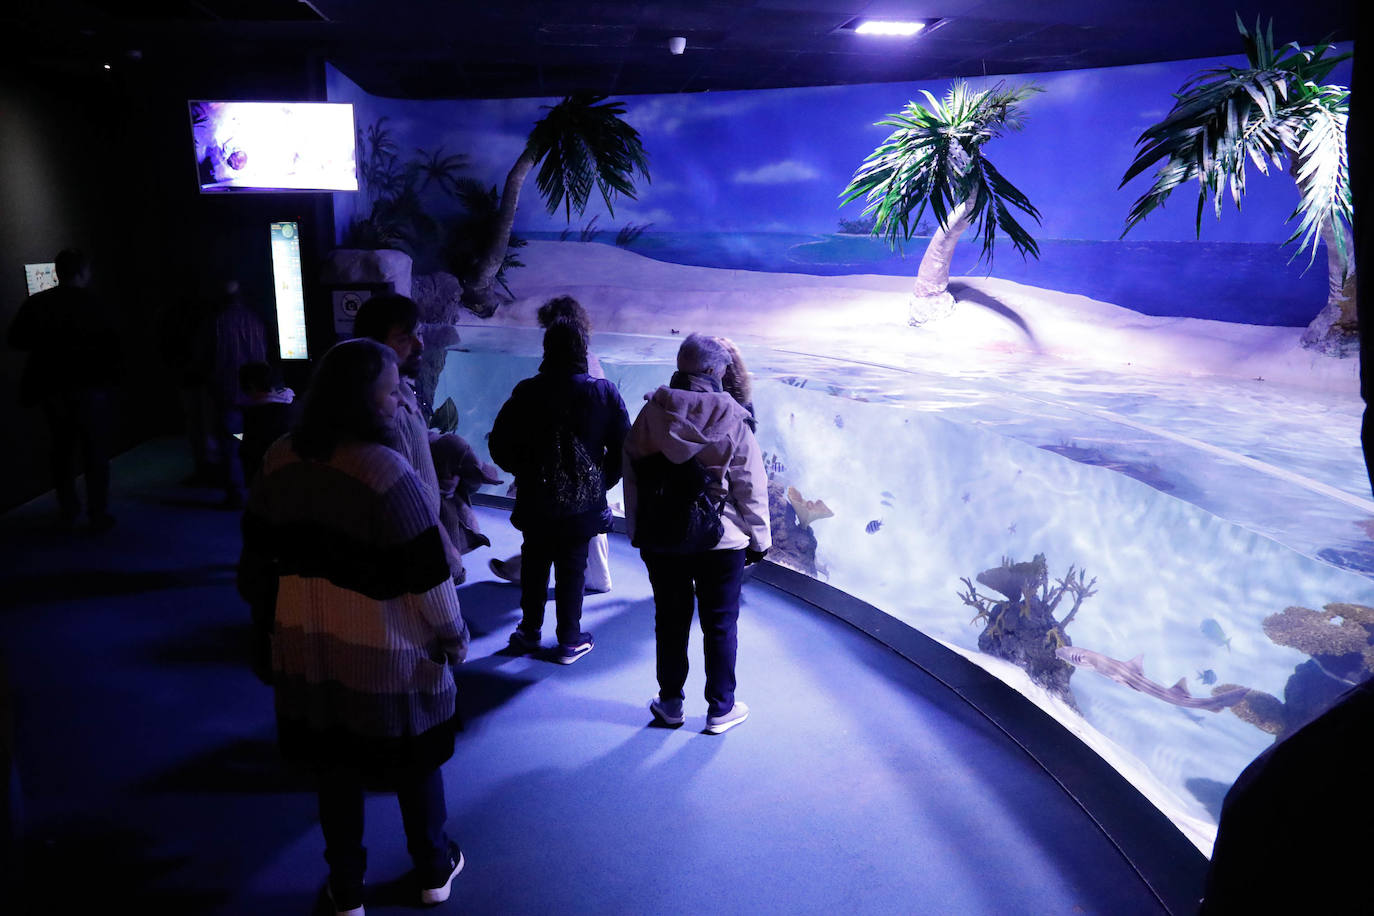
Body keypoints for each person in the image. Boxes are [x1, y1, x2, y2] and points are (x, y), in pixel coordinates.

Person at [237, 338, 468, 914]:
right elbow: (428, 577)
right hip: (384, 654)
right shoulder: (385, 472)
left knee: (332, 770)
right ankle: (433, 870)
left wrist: (268, 628)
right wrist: (453, 637)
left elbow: (257, 555)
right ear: (362, 400)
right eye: (391, 392)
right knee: (415, 763)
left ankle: (346, 888)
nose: (398, 404)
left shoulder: (280, 457)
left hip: (306, 646)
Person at [622, 333, 771, 734]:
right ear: (710, 370)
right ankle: (721, 707)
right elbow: (750, 484)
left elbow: (633, 475)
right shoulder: (734, 418)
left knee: (669, 620)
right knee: (720, 623)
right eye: (721, 367)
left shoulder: (653, 412)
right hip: (721, 539)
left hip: (662, 535)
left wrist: (635, 528)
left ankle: (670, 703)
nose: (725, 372)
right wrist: (759, 540)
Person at [489, 317, 630, 664]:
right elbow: (626, 448)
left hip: (537, 500)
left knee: (535, 565)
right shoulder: (604, 392)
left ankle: (528, 632)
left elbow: (500, 444)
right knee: (572, 569)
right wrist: (600, 483)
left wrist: (524, 471)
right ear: (583, 349)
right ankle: (569, 639)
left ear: (546, 349)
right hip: (581, 508)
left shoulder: (527, 391)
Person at [488, 296, 615, 593]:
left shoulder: (581, 368)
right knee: (582, 522)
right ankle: (594, 578)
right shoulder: (587, 363)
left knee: (562, 526)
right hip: (586, 465)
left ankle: (537, 573)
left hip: (570, 463)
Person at [352, 294, 466, 581]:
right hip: (407, 543)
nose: (419, 345)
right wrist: (446, 550)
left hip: (420, 533)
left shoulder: (402, 392)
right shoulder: (379, 408)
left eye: (418, 334)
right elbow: (398, 484)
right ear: (374, 345)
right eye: (404, 338)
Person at [7, 248, 120, 531]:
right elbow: (113, 347)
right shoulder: (96, 304)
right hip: (91, 389)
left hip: (52, 391)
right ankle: (98, 513)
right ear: (83, 272)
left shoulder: (38, 303)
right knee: (95, 453)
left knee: (61, 452)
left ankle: (68, 509)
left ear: (57, 272)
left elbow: (16, 339)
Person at [195, 280, 268, 508]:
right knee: (255, 443)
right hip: (255, 395)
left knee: (232, 445)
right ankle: (262, 490)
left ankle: (236, 494)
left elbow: (206, 359)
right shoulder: (255, 320)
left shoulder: (216, 323)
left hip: (228, 394)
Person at [236, 360, 294, 486]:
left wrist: (236, 435)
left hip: (264, 471)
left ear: (251, 386)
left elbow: (249, 442)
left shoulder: (255, 413)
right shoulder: (289, 402)